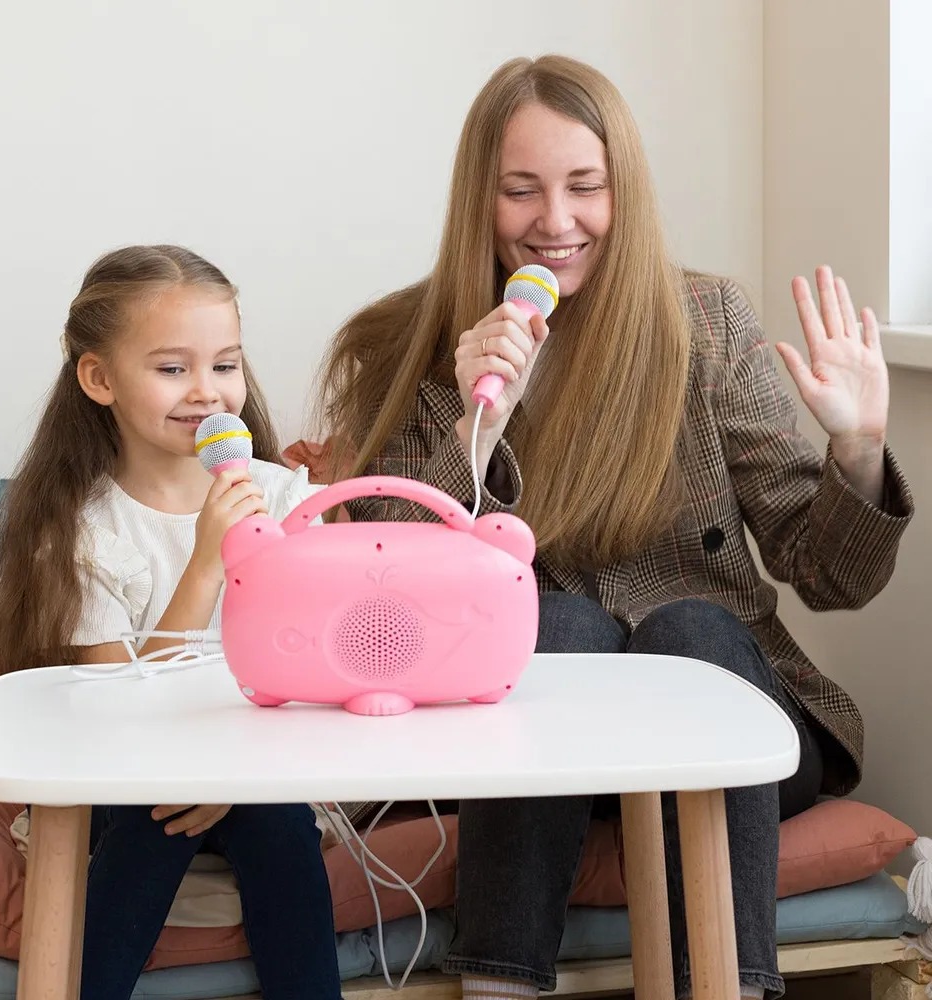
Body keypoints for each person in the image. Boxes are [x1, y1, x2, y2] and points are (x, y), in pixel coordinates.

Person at [319, 56, 914, 1000]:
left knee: (694, 628)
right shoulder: (398, 346)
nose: (555, 221)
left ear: (622, 189)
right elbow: (389, 595)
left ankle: (725, 987)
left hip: (724, 716)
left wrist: (858, 447)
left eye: (584, 186)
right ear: (478, 198)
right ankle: (500, 984)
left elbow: (829, 575)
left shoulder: (706, 321)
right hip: (522, 731)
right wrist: (476, 430)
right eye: (521, 189)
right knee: (552, 622)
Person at [0, 245, 342, 1000]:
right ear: (100, 379)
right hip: (129, 765)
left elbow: (316, 666)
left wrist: (230, 772)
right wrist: (206, 563)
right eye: (173, 368)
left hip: (254, 760)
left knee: (275, 821)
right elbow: (124, 712)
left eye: (226, 365)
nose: (207, 391)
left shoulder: (285, 500)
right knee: (156, 817)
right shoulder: (81, 532)